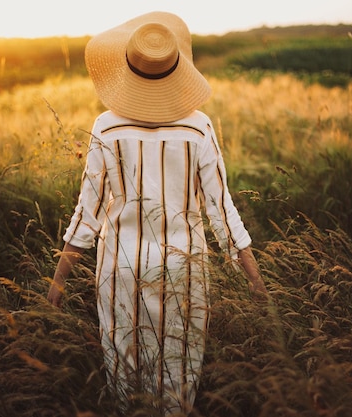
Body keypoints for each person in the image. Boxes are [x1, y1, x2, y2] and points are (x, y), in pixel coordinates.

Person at [47, 11, 266, 416]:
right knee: (178, 379)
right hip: (185, 272)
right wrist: (255, 281)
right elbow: (222, 212)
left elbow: (87, 214)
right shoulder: (199, 128)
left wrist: (58, 281)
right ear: (177, 69)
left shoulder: (106, 127)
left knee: (125, 381)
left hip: (119, 272)